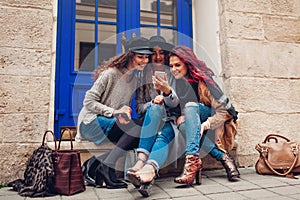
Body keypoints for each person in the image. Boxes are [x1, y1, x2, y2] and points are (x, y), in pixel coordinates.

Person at [76, 37, 153, 189]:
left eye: (146, 57)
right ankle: (106, 167)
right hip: (90, 123)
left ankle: (97, 164)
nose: (144, 61)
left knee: (144, 129)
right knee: (136, 129)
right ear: (130, 55)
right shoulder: (110, 74)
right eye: (140, 57)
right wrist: (114, 112)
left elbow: (123, 108)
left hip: (111, 123)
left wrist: (123, 113)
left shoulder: (134, 80)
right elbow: (88, 102)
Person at [167, 46, 240, 185]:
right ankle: (224, 158)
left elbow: (224, 112)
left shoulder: (203, 81)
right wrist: (181, 115)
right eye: (171, 66)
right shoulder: (175, 83)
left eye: (177, 65)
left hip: (212, 119)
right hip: (192, 121)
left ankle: (192, 163)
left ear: (187, 64)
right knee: (183, 126)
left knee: (190, 106)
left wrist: (206, 124)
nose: (173, 69)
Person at [126, 36, 185, 197]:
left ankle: (143, 170)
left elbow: (177, 104)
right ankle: (141, 165)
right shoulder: (141, 77)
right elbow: (139, 108)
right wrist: (153, 102)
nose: (158, 57)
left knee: (161, 136)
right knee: (155, 109)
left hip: (170, 121)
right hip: (151, 121)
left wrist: (166, 93)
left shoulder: (173, 73)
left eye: (161, 53)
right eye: (154, 53)